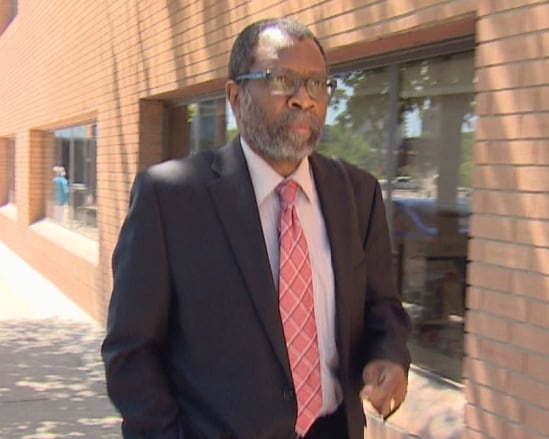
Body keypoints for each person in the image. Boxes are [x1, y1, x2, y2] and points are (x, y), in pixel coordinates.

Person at [101, 18, 411, 439]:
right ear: (235, 96)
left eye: (317, 84)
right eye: (283, 80)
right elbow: (132, 351)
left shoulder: (357, 194)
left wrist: (389, 356)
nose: (305, 100)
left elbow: (383, 308)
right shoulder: (171, 198)